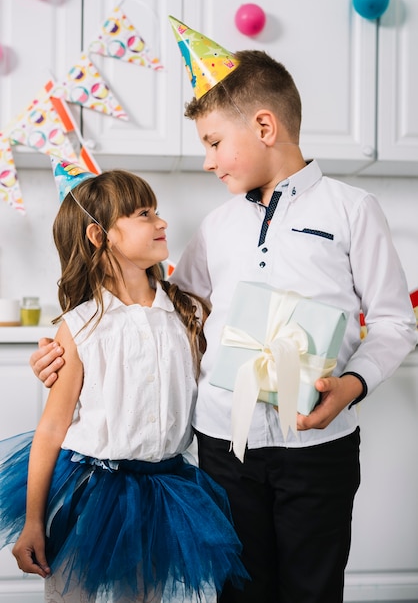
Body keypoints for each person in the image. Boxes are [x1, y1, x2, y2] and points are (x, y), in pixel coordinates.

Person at [29, 20, 418, 603]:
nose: (208, 162)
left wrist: (354, 384)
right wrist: (66, 344)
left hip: (318, 445)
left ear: (265, 126)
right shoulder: (218, 224)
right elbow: (167, 309)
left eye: (213, 142)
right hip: (220, 445)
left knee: (314, 585)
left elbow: (393, 322)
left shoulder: (352, 210)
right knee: (239, 588)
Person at [0, 167, 248, 602]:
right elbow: (52, 429)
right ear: (100, 236)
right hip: (92, 496)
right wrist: (34, 523)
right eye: (144, 214)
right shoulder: (79, 327)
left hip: (165, 491)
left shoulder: (189, 313)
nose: (162, 222)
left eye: (157, 212)